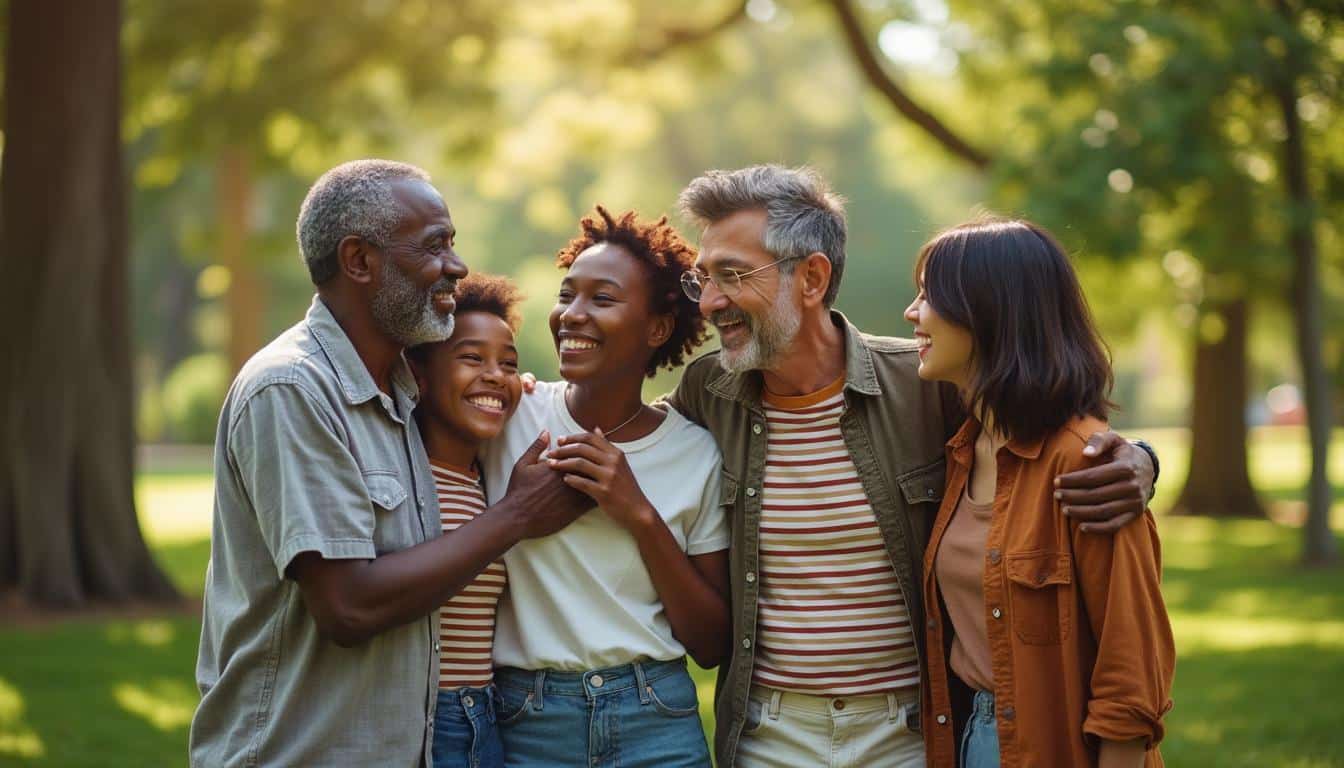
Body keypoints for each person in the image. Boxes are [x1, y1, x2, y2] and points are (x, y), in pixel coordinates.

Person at [665, 164, 1161, 767]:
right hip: (769, 735)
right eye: (703, 278)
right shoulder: (708, 393)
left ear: (812, 278)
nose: (710, 302)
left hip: (912, 736)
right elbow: (626, 436)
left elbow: (1041, 418)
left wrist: (1138, 459)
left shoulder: (927, 385)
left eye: (733, 275)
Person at [190, 160, 589, 768]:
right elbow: (348, 606)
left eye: (452, 243)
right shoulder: (294, 388)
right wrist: (516, 516)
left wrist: (519, 395)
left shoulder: (406, 391)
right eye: (434, 246)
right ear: (359, 261)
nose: (456, 265)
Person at [907, 219, 1175, 767]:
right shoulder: (959, 450)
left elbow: (1130, 683)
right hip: (970, 737)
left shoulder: (1090, 468)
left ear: (988, 311)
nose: (912, 313)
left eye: (929, 296)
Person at [479, 207, 731, 768]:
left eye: (602, 299)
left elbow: (711, 645)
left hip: (655, 720)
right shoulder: (510, 418)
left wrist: (638, 513)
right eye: (567, 295)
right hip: (527, 721)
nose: (572, 315)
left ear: (657, 329)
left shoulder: (695, 452)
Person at [405, 273, 527, 768]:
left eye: (509, 364)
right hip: (426, 719)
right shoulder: (404, 481)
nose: (495, 375)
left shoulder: (491, 477)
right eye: (472, 358)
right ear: (418, 374)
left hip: (488, 716)